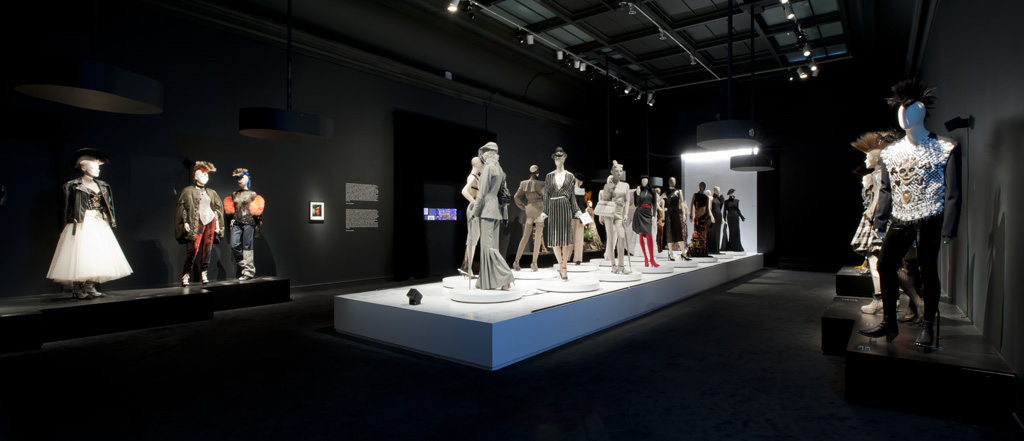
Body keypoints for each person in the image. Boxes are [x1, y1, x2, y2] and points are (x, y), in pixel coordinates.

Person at [859, 79, 961, 346]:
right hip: (901, 216)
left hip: (930, 215)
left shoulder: (944, 147)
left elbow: (953, 191)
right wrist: (880, 220)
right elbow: (886, 189)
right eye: (900, 109)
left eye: (910, 108)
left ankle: (927, 326)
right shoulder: (891, 152)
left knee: (928, 270)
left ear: (921, 109)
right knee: (884, 264)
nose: (904, 114)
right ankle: (889, 320)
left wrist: (949, 227)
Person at [47, 148, 133, 299]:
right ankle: (78, 288)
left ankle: (89, 285)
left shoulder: (103, 186)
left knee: (97, 254)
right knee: (81, 255)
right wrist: (63, 227)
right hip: (81, 222)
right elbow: (65, 207)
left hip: (98, 221)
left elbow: (109, 205)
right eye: (94, 167)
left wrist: (110, 219)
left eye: (98, 167)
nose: (98, 170)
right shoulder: (72, 186)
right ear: (83, 168)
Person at [849, 132, 898, 314]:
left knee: (875, 259)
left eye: (868, 156)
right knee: (881, 260)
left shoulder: (879, 175)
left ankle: (881, 299)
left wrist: (873, 215)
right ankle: (890, 299)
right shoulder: (876, 174)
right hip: (882, 218)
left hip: (879, 219)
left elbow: (880, 196)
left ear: (877, 158)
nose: (866, 159)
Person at [175, 161, 225, 286]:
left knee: (207, 249)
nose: (205, 176)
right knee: (194, 248)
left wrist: (217, 225)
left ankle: (204, 272)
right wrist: (185, 222)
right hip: (197, 221)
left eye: (207, 174)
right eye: (202, 174)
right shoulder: (188, 191)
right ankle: (186, 273)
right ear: (195, 176)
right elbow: (183, 207)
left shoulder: (211, 192)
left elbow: (217, 209)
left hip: (210, 220)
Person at [472, 142, 514, 290]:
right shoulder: (500, 169)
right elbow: (504, 194)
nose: (482, 156)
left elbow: (482, 193)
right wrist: (504, 215)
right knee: (492, 247)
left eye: (484, 152)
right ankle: (487, 281)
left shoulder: (488, 168)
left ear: (489, 153)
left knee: (488, 248)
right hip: (495, 211)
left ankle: (506, 277)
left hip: (487, 211)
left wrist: (474, 212)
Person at [542, 147, 584, 280]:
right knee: (554, 240)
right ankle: (561, 264)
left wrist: (576, 210)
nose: (558, 159)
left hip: (565, 208)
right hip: (554, 207)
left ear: (564, 158)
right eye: (556, 157)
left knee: (566, 240)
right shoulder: (549, 176)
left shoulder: (570, 176)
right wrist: (545, 211)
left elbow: (572, 195)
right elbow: (546, 195)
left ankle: (564, 267)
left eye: (560, 157)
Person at [224, 168, 265, 281]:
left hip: (248, 221)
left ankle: (248, 272)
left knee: (247, 246)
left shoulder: (252, 194)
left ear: (247, 178)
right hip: (237, 221)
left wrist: (257, 223)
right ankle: (245, 265)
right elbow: (231, 208)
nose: (240, 180)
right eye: (238, 178)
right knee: (234, 244)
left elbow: (257, 210)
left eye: (242, 178)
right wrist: (231, 219)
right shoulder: (234, 194)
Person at [598, 161, 631, 274]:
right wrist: (611, 188)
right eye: (616, 171)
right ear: (612, 172)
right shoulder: (607, 186)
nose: (619, 173)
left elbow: (627, 200)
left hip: (619, 213)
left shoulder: (625, 185)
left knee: (621, 237)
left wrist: (626, 214)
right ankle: (613, 265)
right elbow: (605, 200)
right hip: (609, 213)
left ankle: (621, 265)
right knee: (610, 239)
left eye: (621, 171)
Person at [512, 165, 544, 271]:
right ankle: (534, 263)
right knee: (538, 237)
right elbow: (547, 197)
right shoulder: (541, 184)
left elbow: (516, 197)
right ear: (537, 173)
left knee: (525, 237)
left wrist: (523, 207)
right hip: (539, 208)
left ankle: (516, 262)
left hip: (529, 208)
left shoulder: (524, 183)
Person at [458, 157, 483, 277]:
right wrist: (475, 203)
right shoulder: (472, 177)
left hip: (475, 208)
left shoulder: (475, 177)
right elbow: (464, 191)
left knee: (473, 238)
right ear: (477, 164)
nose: (482, 165)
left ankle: (466, 266)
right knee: (473, 238)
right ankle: (466, 266)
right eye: (481, 163)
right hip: (474, 209)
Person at [631, 175, 660, 267]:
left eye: (646, 180)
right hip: (640, 213)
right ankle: (646, 259)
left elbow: (655, 204)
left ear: (648, 181)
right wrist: (638, 194)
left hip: (648, 214)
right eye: (643, 180)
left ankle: (652, 259)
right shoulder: (637, 191)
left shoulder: (652, 191)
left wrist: (654, 215)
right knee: (641, 236)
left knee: (649, 236)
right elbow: (637, 204)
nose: (644, 182)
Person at [662, 177, 690, 261]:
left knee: (679, 233)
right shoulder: (666, 193)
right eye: (671, 180)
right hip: (669, 215)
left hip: (676, 214)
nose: (673, 182)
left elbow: (682, 202)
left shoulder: (679, 191)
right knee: (669, 233)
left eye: (674, 180)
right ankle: (670, 254)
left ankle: (683, 253)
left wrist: (684, 214)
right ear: (668, 182)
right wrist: (662, 209)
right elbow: (657, 200)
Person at [688, 182, 714, 257]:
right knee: (696, 234)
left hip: (704, 218)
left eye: (704, 186)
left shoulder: (706, 197)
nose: (703, 187)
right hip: (697, 218)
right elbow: (691, 206)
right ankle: (694, 251)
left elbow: (708, 209)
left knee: (703, 236)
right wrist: (690, 216)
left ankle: (701, 251)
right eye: (702, 186)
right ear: (699, 186)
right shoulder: (695, 195)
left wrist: (709, 217)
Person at [571, 172, 587, 265]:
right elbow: (582, 206)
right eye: (581, 181)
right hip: (576, 216)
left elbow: (582, 206)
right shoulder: (575, 190)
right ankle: (576, 258)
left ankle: (573, 258)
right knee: (577, 238)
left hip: (574, 216)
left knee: (574, 238)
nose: (581, 183)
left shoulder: (574, 190)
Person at [708, 186, 724, 254]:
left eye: (719, 189)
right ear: (714, 190)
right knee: (713, 232)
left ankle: (717, 249)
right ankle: (712, 249)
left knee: (718, 232)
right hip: (714, 217)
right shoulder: (711, 198)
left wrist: (722, 218)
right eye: (717, 189)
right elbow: (709, 208)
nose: (718, 190)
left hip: (719, 217)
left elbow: (719, 209)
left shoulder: (718, 199)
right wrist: (711, 216)